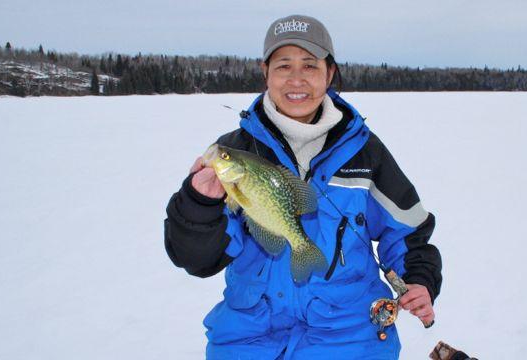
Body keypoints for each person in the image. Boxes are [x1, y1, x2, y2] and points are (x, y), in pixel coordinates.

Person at [164, 14, 442, 360]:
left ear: (330, 73)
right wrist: (197, 205)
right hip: (251, 337)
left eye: (310, 66)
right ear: (265, 71)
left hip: (348, 334)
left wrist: (417, 279)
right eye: (283, 66)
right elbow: (196, 260)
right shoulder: (236, 151)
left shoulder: (366, 152)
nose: (296, 79)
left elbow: (407, 233)